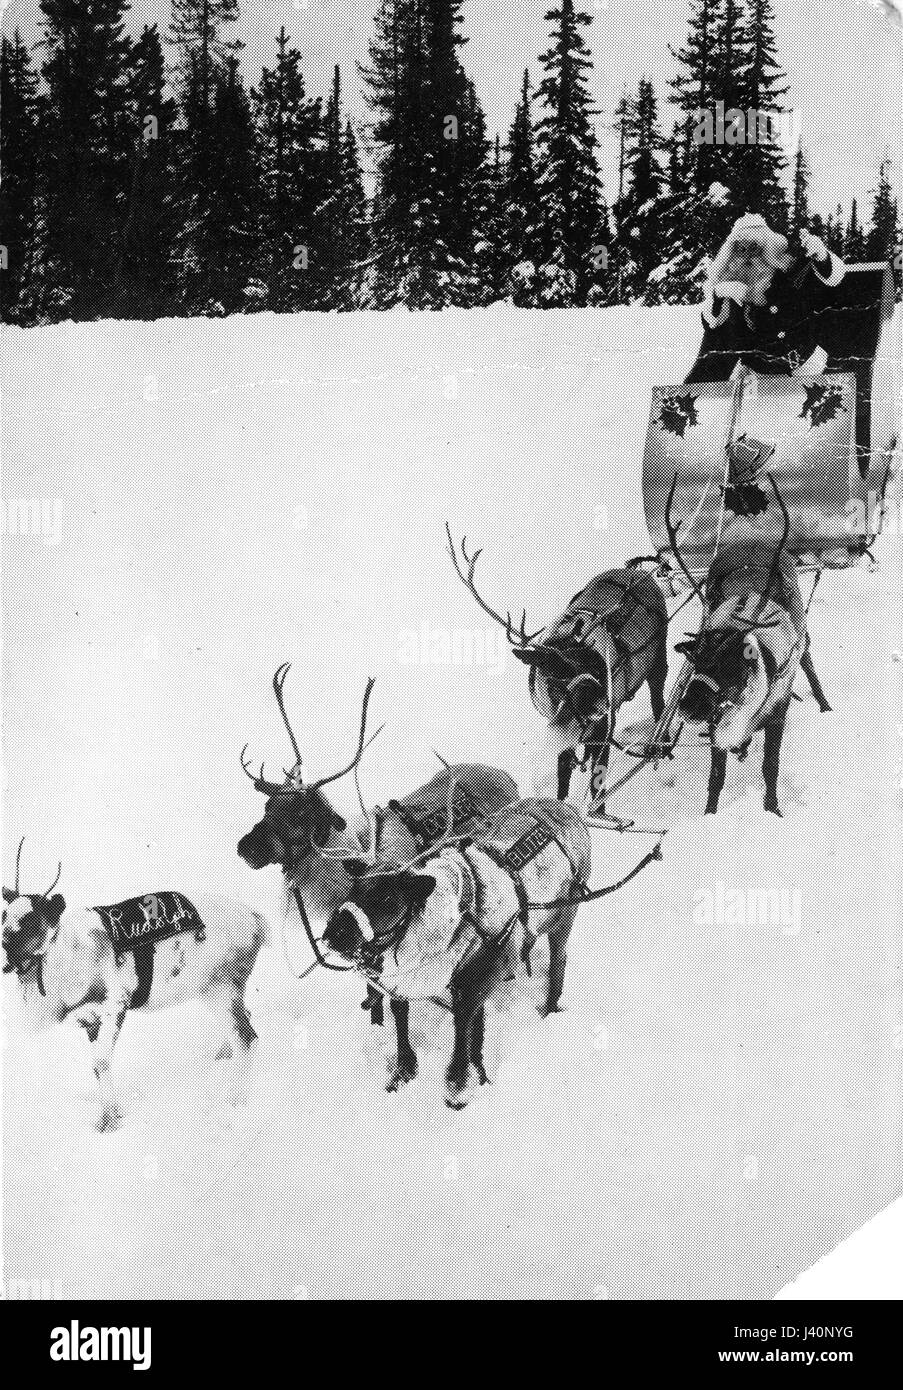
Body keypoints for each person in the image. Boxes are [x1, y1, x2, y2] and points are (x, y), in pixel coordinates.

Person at [686, 213, 847, 383]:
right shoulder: (730, 288)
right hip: (757, 377)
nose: (748, 257)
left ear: (768, 247)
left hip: (808, 367)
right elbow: (713, 330)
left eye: (754, 247)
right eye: (740, 249)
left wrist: (821, 255)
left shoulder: (790, 273)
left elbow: (833, 280)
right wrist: (718, 294)